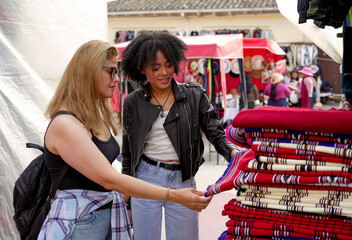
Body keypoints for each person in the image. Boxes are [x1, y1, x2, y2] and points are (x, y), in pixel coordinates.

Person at [37, 40, 212, 240]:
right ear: (89, 72)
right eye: (111, 71)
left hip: (101, 215)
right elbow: (109, 178)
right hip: (80, 222)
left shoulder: (92, 116)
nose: (117, 79)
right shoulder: (65, 124)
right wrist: (173, 195)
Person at [120, 31, 238, 240]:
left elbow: (215, 133)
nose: (164, 73)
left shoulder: (194, 94)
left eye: (168, 65)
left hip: (183, 180)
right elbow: (128, 153)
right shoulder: (132, 102)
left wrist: (234, 154)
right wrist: (127, 197)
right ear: (142, 69)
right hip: (145, 179)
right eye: (155, 68)